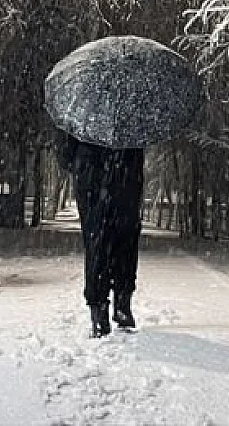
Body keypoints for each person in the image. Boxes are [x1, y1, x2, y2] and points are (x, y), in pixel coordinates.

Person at [57, 130, 145, 337]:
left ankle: (101, 311)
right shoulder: (133, 106)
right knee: (124, 239)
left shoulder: (80, 107)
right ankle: (119, 306)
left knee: (100, 241)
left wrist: (75, 160)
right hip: (122, 169)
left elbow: (65, 150)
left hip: (96, 171)